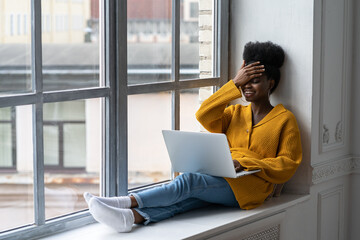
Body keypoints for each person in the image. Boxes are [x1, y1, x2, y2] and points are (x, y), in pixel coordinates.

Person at [83, 41, 302, 233]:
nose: (247, 87)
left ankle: (124, 201)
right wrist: (233, 84)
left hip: (252, 188)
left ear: (270, 83)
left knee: (188, 181)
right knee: (188, 200)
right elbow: (203, 114)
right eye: (244, 82)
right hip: (223, 179)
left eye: (254, 81)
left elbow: (288, 164)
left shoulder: (284, 119)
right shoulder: (235, 113)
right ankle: (129, 218)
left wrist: (245, 164)